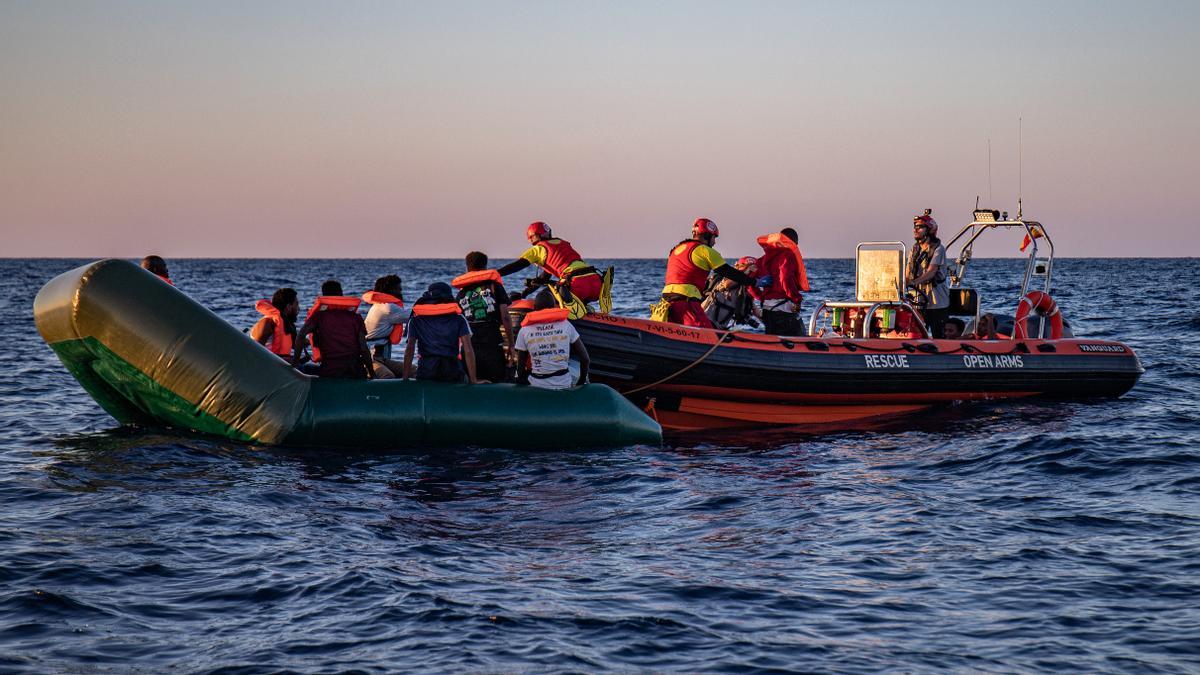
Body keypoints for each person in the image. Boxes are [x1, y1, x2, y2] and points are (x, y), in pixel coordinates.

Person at [659, 218, 757, 328]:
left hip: (666, 302)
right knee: (707, 332)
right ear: (707, 236)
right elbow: (728, 272)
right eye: (714, 237)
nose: (714, 242)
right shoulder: (705, 251)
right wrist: (754, 282)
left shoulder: (676, 249)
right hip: (686, 301)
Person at [496, 221, 603, 307]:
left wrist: (495, 273)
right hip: (595, 283)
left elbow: (518, 265)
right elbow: (544, 277)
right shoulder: (562, 243)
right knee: (558, 290)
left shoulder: (538, 249)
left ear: (534, 237)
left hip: (577, 284)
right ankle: (585, 310)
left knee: (543, 297)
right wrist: (524, 294)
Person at [293, 280, 373, 379]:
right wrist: (372, 374)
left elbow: (301, 335)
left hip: (330, 372)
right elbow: (364, 349)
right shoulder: (355, 318)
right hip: (354, 371)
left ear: (324, 296)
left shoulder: (318, 317)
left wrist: (295, 363)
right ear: (341, 294)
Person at [453, 252, 513, 383]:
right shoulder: (495, 287)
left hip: (469, 345)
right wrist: (511, 345)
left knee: (472, 382)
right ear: (485, 267)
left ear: (467, 268)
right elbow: (506, 317)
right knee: (496, 381)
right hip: (491, 343)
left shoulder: (461, 293)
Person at [402, 282, 480, 383]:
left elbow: (410, 349)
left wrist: (405, 378)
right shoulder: (459, 319)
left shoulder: (416, 320)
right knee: (464, 378)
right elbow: (468, 349)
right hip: (452, 371)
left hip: (426, 371)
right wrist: (473, 380)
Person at [515, 290, 590, 390]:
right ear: (554, 307)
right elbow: (585, 359)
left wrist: (521, 383)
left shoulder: (525, 330)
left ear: (534, 308)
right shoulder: (566, 325)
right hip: (563, 384)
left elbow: (520, 368)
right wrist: (581, 383)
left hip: (537, 384)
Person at [755, 227, 811, 336]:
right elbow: (785, 278)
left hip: (766, 309)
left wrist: (760, 297)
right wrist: (796, 299)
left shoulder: (764, 258)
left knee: (772, 342)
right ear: (793, 243)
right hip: (783, 310)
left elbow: (751, 281)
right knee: (799, 339)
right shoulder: (788, 255)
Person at [905, 209, 950, 338]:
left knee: (939, 335)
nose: (915, 230)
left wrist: (913, 282)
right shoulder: (914, 249)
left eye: (919, 227)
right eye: (915, 227)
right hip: (918, 301)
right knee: (916, 335)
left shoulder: (938, 249)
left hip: (936, 302)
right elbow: (908, 272)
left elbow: (931, 272)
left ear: (929, 229)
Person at [363, 274, 409, 379]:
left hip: (383, 360)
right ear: (391, 290)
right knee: (387, 376)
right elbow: (414, 315)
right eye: (399, 289)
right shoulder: (388, 308)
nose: (401, 292)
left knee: (415, 371)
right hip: (369, 359)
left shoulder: (381, 305)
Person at [702, 257, 761, 330]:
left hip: (719, 327)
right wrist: (746, 272)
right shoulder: (726, 279)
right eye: (747, 269)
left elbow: (756, 311)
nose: (750, 272)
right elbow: (727, 284)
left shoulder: (744, 290)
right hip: (705, 320)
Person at [251, 287, 300, 361]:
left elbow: (295, 344)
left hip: (281, 365)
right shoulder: (267, 323)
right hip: (270, 367)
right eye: (296, 304)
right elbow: (254, 352)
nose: (298, 308)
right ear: (288, 306)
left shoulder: (286, 324)